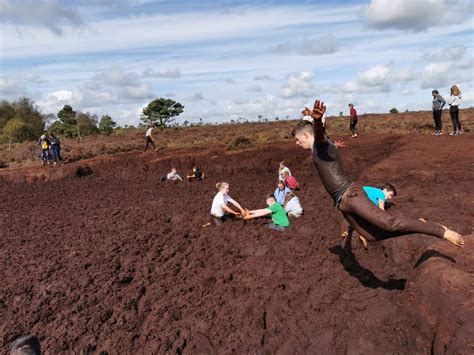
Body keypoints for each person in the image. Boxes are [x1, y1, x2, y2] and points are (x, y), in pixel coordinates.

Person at [293, 98, 464, 248]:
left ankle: (440, 231)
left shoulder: (320, 145)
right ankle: (418, 225)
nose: (296, 143)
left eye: (297, 139)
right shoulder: (320, 146)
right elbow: (323, 137)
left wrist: (317, 123)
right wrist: (314, 122)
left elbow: (321, 136)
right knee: (372, 236)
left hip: (350, 195)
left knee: (389, 223)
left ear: (307, 136)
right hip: (342, 203)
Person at [342, 183, 397, 249]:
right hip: (360, 202)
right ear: (385, 190)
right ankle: (362, 235)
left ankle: (347, 232)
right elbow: (381, 207)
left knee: (357, 219)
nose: (390, 198)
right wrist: (387, 218)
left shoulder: (374, 191)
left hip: (354, 197)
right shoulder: (381, 194)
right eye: (390, 195)